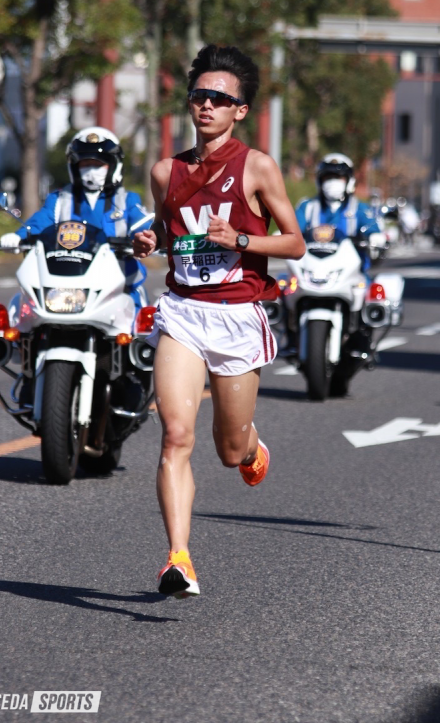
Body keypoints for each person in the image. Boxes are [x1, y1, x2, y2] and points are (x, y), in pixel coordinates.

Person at [133, 44, 305, 599]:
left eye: (219, 98)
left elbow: (295, 243)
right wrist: (151, 240)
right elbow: (169, 228)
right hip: (183, 312)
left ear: (240, 110)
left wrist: (243, 240)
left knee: (230, 452)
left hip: (236, 317)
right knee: (175, 435)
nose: (205, 105)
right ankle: (178, 559)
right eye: (198, 95)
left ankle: (253, 447)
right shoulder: (166, 171)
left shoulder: (256, 166)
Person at [0, 127, 154, 315]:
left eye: (99, 164)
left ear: (113, 165)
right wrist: (19, 236)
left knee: (140, 326)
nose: (92, 170)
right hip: (66, 281)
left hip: (119, 283)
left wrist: (148, 237)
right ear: (74, 167)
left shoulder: (126, 200)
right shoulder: (60, 199)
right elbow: (39, 222)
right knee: (23, 317)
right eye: (85, 164)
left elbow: (142, 222)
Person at [295, 152, 386, 272]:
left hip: (351, 271)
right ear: (319, 181)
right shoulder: (307, 207)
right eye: (328, 178)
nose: (333, 182)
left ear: (349, 181)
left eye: (339, 177)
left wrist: (374, 236)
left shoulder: (359, 208)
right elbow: (293, 231)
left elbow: (371, 226)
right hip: (313, 269)